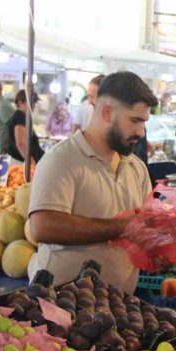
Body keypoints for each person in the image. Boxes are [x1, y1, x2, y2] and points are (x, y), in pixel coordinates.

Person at [28, 72, 158, 291]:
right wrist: (120, 227)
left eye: (144, 122)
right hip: (62, 306)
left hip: (120, 307)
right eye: (135, 121)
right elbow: (42, 227)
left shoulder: (136, 167)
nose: (141, 132)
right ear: (107, 113)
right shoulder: (61, 160)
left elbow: (142, 226)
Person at [6, 90, 44, 167]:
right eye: (31, 102)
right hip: (21, 163)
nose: (34, 105)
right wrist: (32, 164)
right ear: (20, 102)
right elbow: (21, 144)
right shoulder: (20, 117)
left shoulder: (22, 117)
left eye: (34, 102)